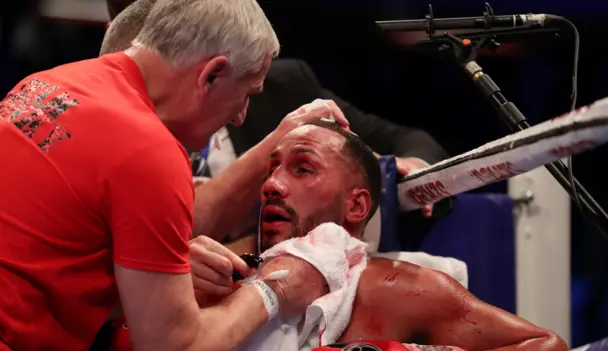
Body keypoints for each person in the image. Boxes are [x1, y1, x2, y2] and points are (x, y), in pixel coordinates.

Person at [0, 0, 344, 351]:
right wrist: (273, 290)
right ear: (212, 74)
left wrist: (154, 273)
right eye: (247, 94)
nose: (240, 118)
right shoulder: (148, 150)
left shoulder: (45, 85)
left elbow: (51, 254)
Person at [106, 119, 572, 351]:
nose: (272, 185)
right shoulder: (225, 283)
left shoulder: (396, 287)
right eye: (271, 171)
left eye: (301, 169)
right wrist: (163, 311)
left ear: (357, 206)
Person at [103, 0, 449, 226]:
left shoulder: (281, 85)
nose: (240, 115)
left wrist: (408, 170)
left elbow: (409, 140)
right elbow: (169, 232)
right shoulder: (102, 121)